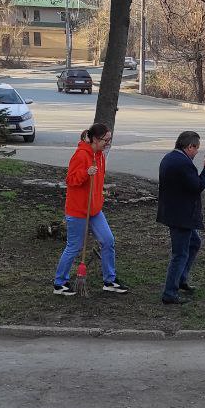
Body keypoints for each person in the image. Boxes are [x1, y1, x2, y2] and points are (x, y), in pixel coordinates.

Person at [51, 123, 129, 296]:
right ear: (94, 139)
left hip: (94, 210)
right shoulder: (81, 155)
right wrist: (86, 173)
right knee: (74, 246)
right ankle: (60, 283)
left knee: (108, 241)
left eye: (110, 139)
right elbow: (70, 180)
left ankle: (110, 280)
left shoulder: (99, 155)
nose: (108, 143)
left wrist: (99, 196)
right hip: (78, 210)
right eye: (105, 140)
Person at [156, 131, 205, 305]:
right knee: (180, 254)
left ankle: (181, 279)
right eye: (196, 148)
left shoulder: (169, 158)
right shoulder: (183, 163)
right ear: (190, 147)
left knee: (194, 243)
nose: (197, 152)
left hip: (174, 211)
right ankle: (170, 293)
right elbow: (196, 186)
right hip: (181, 216)